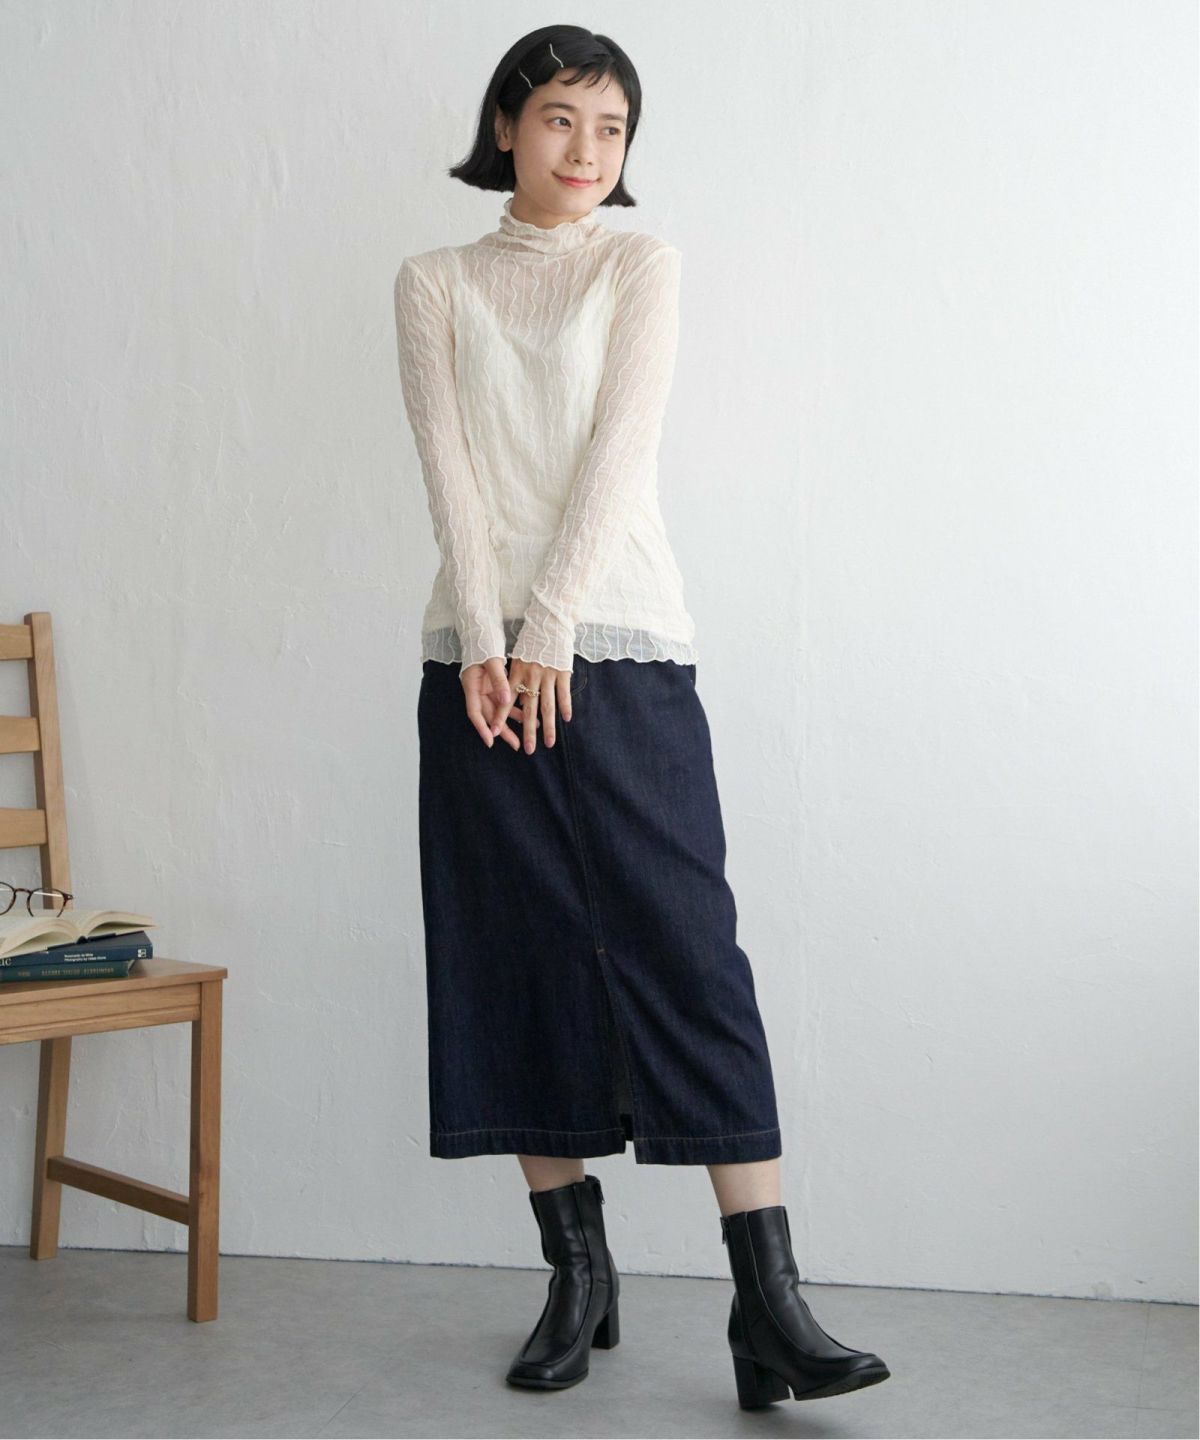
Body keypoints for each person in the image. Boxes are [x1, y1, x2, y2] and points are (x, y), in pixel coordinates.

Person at [392, 23, 890, 1410]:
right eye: (561, 118)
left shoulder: (637, 266)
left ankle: (768, 1305)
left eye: (611, 128)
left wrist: (551, 624)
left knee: (689, 949)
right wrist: (486, 638)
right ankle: (577, 1274)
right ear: (506, 124)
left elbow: (619, 450)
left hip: (620, 643)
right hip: (476, 667)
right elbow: (449, 468)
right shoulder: (434, 281)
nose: (587, 149)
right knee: (514, 953)